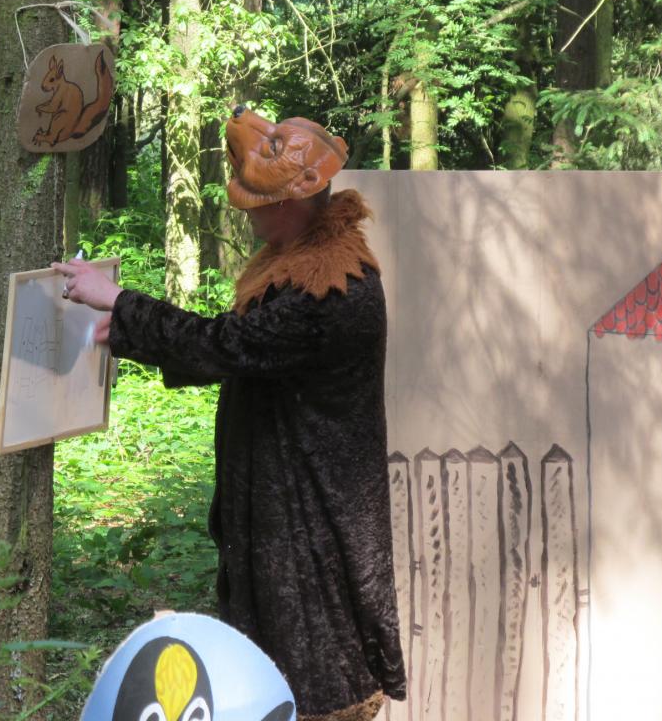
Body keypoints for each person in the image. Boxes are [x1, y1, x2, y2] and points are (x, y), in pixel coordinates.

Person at [54, 106, 406, 721]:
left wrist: (122, 303)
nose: (246, 216)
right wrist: (131, 330)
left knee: (319, 681)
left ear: (290, 203)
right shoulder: (297, 267)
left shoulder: (332, 290)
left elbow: (229, 345)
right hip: (282, 513)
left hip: (313, 523)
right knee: (278, 656)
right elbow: (242, 352)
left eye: (254, 204)